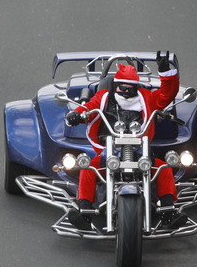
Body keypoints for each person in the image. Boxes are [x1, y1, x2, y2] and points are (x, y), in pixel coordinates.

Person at [64, 51, 185, 230]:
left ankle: (168, 211)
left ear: (137, 87)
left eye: (131, 88)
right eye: (123, 88)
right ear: (115, 86)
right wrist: (77, 115)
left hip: (140, 150)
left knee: (162, 168)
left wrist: (165, 71)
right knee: (88, 168)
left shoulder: (146, 97)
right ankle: (85, 212)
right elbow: (89, 107)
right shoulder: (103, 97)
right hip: (110, 150)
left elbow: (167, 95)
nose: (127, 91)